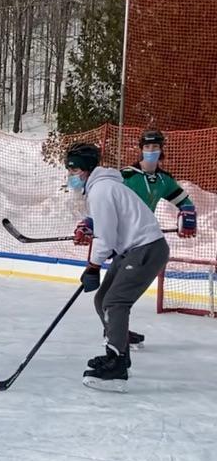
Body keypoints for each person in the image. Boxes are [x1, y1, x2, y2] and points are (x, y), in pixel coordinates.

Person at [72, 129, 197, 349]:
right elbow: (107, 209)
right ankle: (116, 335)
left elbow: (185, 202)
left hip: (140, 239)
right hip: (125, 239)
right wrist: (90, 224)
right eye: (147, 147)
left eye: (155, 147)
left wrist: (187, 216)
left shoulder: (163, 180)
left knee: (114, 301)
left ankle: (117, 348)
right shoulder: (125, 176)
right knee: (106, 300)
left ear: (161, 150)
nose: (151, 151)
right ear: (140, 149)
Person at [66, 143, 170, 392]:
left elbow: (105, 239)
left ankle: (117, 365)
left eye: (74, 168)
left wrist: (92, 267)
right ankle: (119, 351)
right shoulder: (102, 187)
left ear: (86, 169)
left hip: (146, 249)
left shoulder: (101, 190)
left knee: (115, 302)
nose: (70, 174)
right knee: (103, 299)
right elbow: (110, 231)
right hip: (132, 249)